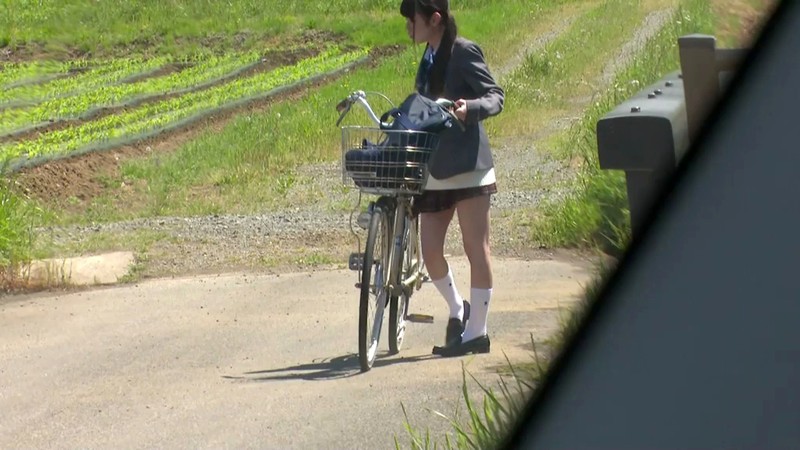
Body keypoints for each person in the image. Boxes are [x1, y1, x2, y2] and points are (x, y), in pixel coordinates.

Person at [400, 0, 504, 357]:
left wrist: (469, 108)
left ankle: (477, 333)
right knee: (430, 252)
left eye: (412, 19)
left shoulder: (463, 51)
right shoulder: (429, 54)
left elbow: (495, 96)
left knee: (476, 247)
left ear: (435, 19)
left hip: (470, 166)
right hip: (437, 167)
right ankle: (459, 309)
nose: (408, 26)